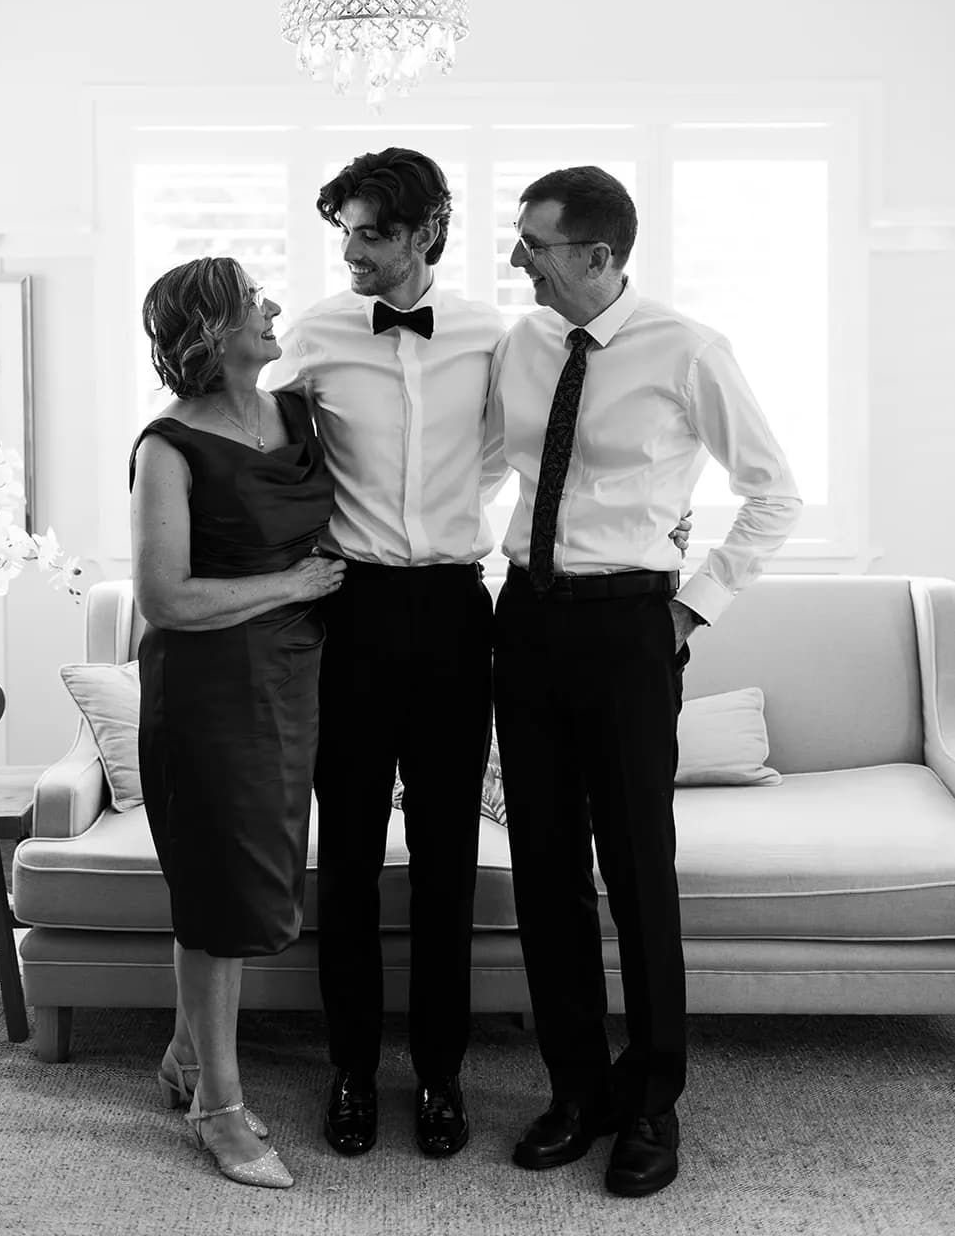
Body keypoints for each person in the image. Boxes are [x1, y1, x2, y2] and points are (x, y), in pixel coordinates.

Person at [266, 146, 693, 1159]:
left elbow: (542, 454)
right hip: (354, 616)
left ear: (424, 234)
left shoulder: (498, 337)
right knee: (354, 863)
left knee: (450, 862)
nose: (354, 252)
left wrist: (663, 549)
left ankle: (445, 1078)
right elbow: (264, 450)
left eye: (373, 232)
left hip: (461, 615)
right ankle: (354, 1073)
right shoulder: (315, 333)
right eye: (345, 234)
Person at [486, 165, 802, 1198]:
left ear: (598, 254)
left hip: (630, 626)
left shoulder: (688, 349)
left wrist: (689, 605)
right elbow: (486, 465)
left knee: (635, 865)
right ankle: (578, 1089)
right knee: (543, 867)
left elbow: (773, 492)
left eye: (533, 242)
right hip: (525, 620)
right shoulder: (520, 343)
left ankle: (653, 1099)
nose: (516, 257)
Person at [129, 256, 344, 1190]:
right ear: (210, 333)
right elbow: (166, 598)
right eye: (251, 300)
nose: (271, 307)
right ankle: (219, 1111)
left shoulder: (295, 410)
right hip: (208, 686)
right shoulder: (166, 448)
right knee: (219, 894)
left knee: (251, 879)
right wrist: (291, 584)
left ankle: (184, 1056)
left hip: (294, 680)